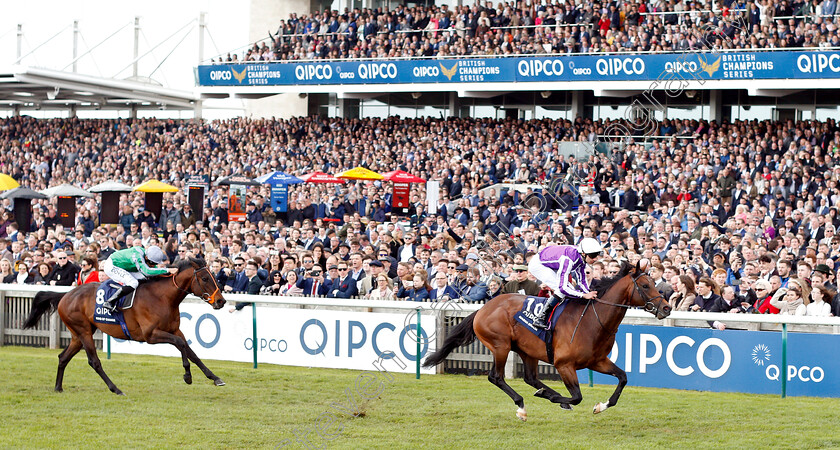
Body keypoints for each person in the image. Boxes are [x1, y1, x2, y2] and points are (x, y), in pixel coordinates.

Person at [529, 238, 601, 329]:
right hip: (538, 265)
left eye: (597, 254)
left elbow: (582, 280)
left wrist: (588, 293)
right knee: (562, 290)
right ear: (583, 253)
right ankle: (540, 318)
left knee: (571, 288)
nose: (595, 259)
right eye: (592, 255)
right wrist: (583, 295)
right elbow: (563, 288)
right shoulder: (569, 259)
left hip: (549, 262)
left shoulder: (581, 257)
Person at [100, 245, 176, 312]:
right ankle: (110, 302)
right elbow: (147, 271)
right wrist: (167, 270)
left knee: (146, 278)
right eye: (152, 263)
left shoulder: (147, 256)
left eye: (155, 263)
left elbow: (152, 272)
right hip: (112, 265)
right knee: (133, 283)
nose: (153, 265)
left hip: (125, 267)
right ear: (146, 257)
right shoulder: (138, 256)